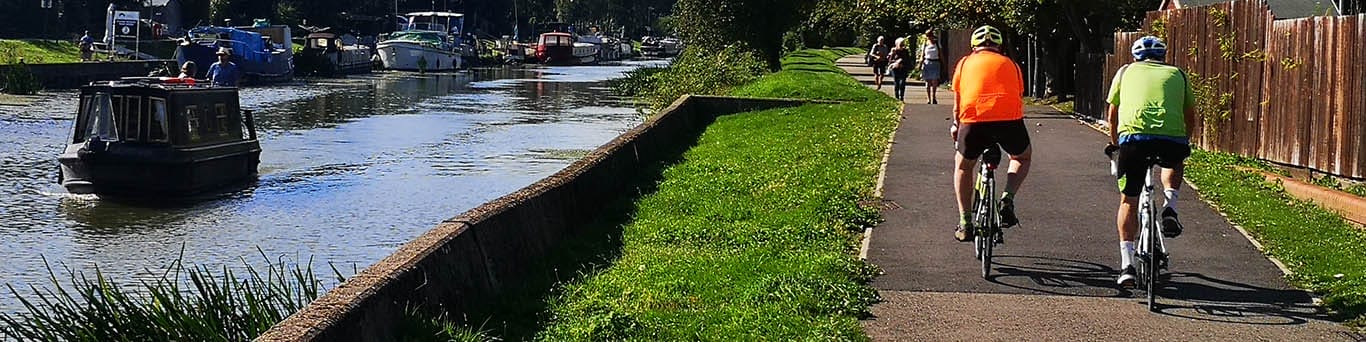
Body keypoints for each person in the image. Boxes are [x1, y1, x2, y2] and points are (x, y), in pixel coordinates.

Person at [1105, 36, 1195, 287]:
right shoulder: (1178, 74)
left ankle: (1127, 266)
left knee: (1128, 201)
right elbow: (1190, 115)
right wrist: (1184, 141)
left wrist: (1115, 144)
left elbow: (1112, 114)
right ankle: (1171, 207)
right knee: (1173, 163)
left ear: (1135, 57)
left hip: (1134, 141)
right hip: (1171, 140)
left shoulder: (1124, 72)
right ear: (1162, 57)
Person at [950, 25, 1030, 242]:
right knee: (1021, 157)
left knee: (964, 166)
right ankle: (1007, 198)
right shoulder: (1011, 64)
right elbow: (1018, 95)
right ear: (999, 45)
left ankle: (966, 222)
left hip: (974, 120)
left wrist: (956, 126)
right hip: (1009, 121)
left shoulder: (964, 63)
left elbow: (957, 102)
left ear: (973, 45)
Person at [919, 30, 942, 104]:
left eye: (930, 36)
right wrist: (920, 64)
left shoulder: (937, 43)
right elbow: (922, 55)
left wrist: (943, 63)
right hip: (927, 62)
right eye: (928, 36)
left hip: (935, 62)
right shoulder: (925, 44)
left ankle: (934, 97)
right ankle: (928, 98)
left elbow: (941, 54)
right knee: (928, 81)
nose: (929, 38)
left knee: (935, 81)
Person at [888, 37, 913, 101]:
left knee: (902, 83)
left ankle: (901, 97)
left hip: (903, 68)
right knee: (896, 83)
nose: (902, 46)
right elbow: (890, 61)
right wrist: (896, 63)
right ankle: (896, 97)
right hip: (895, 69)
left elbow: (908, 60)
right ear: (897, 44)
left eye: (903, 44)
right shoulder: (894, 51)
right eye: (901, 44)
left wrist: (902, 62)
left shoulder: (906, 51)